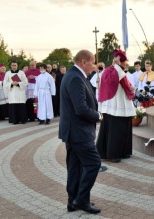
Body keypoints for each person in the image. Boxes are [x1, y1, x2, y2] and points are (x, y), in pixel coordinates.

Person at [59, 50, 102, 214]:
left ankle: (73, 201)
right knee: (94, 163)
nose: (94, 67)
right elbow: (81, 109)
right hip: (79, 132)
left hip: (74, 132)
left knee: (75, 167)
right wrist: (98, 116)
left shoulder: (73, 75)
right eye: (92, 63)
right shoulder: (76, 78)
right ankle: (82, 200)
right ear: (84, 62)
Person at [97, 50, 136, 163]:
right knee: (115, 131)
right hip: (113, 106)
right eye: (123, 62)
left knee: (124, 129)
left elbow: (126, 83)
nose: (124, 64)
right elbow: (113, 81)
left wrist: (131, 88)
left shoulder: (120, 71)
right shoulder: (108, 71)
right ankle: (112, 154)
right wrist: (117, 65)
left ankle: (124, 151)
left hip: (123, 104)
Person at [4, 60, 28, 124]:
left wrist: (18, 83)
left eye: (15, 65)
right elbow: (5, 83)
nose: (14, 66)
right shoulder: (8, 73)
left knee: (21, 106)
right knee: (13, 107)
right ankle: (14, 120)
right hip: (12, 93)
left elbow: (25, 82)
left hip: (20, 92)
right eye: (12, 65)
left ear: (17, 66)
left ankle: (22, 120)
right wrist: (11, 83)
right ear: (11, 66)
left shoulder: (21, 72)